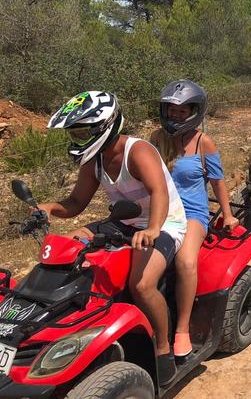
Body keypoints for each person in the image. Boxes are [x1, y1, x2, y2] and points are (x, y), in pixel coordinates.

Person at [40, 91, 186, 385]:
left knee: (142, 284)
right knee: (65, 249)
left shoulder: (138, 151)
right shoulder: (94, 160)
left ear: (104, 127)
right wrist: (47, 209)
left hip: (165, 222)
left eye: (82, 132)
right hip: (124, 221)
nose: (77, 140)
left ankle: (162, 348)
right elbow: (76, 203)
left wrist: (153, 229)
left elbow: (159, 192)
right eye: (74, 133)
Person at [150, 79, 239, 359]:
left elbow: (217, 181)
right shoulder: (156, 139)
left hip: (192, 214)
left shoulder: (204, 142)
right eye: (171, 110)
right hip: (159, 213)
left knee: (186, 261)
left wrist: (227, 214)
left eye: (182, 110)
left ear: (194, 112)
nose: (176, 116)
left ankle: (183, 329)